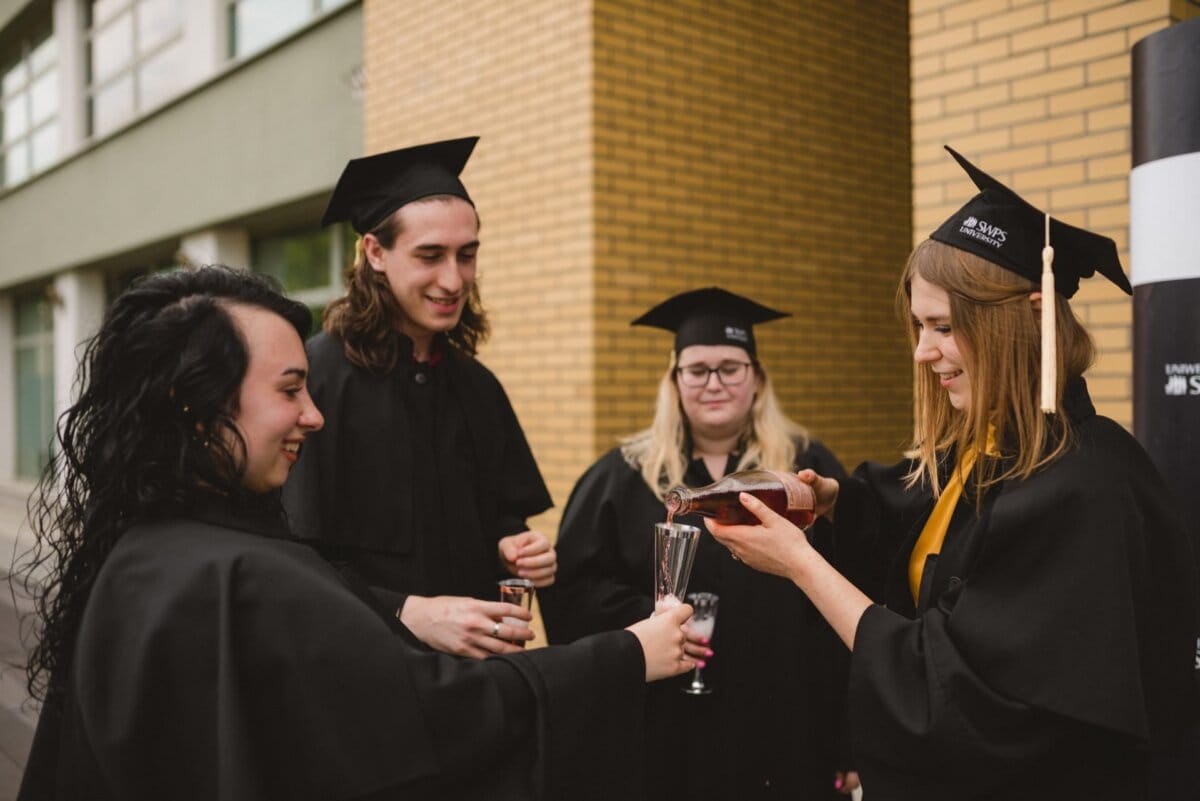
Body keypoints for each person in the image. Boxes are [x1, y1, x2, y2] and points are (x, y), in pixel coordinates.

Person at [13, 265, 695, 801]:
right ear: (194, 404)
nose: (314, 415)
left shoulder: (143, 551)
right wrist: (627, 654)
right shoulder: (248, 578)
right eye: (288, 391)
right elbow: (439, 717)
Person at [707, 147, 1199, 800]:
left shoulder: (1085, 486)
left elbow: (950, 691)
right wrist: (830, 501)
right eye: (918, 325)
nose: (921, 351)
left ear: (1020, 321)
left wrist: (802, 563)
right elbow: (928, 521)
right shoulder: (997, 451)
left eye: (943, 326)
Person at [539, 287, 855, 800]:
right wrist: (651, 619)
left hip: (785, 726)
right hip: (664, 729)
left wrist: (848, 740)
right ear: (675, 381)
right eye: (697, 370)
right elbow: (573, 594)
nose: (714, 383)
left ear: (756, 377)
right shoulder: (622, 475)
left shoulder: (804, 475)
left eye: (730, 367)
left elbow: (850, 598)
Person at [283, 137, 558, 658]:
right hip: (364, 675)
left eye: (467, 255)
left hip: (479, 678)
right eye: (430, 256)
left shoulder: (478, 387)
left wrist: (518, 549)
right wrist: (407, 611)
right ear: (375, 252)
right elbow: (292, 562)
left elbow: (504, 519)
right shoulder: (314, 381)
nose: (453, 280)